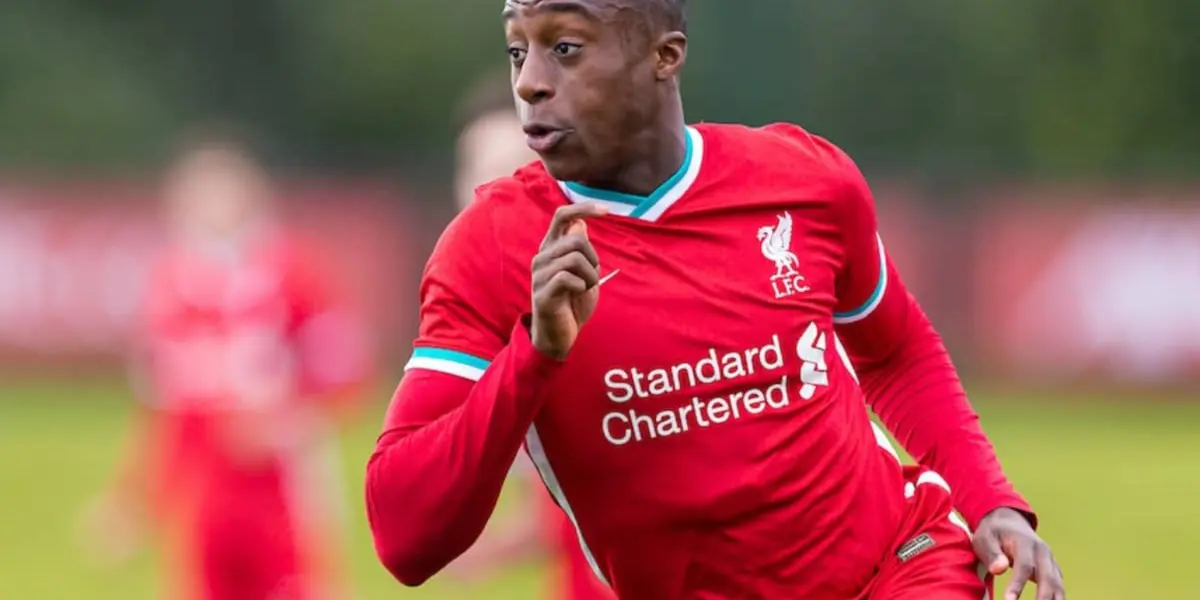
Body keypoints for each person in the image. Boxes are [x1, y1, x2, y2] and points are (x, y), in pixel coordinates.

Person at [366, 1, 1066, 599]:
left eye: (566, 48)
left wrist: (991, 501)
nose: (531, 83)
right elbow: (404, 538)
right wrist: (536, 356)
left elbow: (896, 350)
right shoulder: (489, 248)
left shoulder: (804, 180)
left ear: (663, 56)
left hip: (899, 567)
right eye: (518, 50)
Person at [82, 129, 370, 600]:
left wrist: (285, 417)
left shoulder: (293, 272)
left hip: (284, 487)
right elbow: (169, 413)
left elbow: (347, 371)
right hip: (207, 497)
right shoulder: (172, 286)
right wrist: (137, 501)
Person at [442, 70, 616, 600]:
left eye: (510, 171)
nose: (489, 193)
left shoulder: (618, 298)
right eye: (474, 172)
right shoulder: (492, 322)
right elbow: (557, 512)